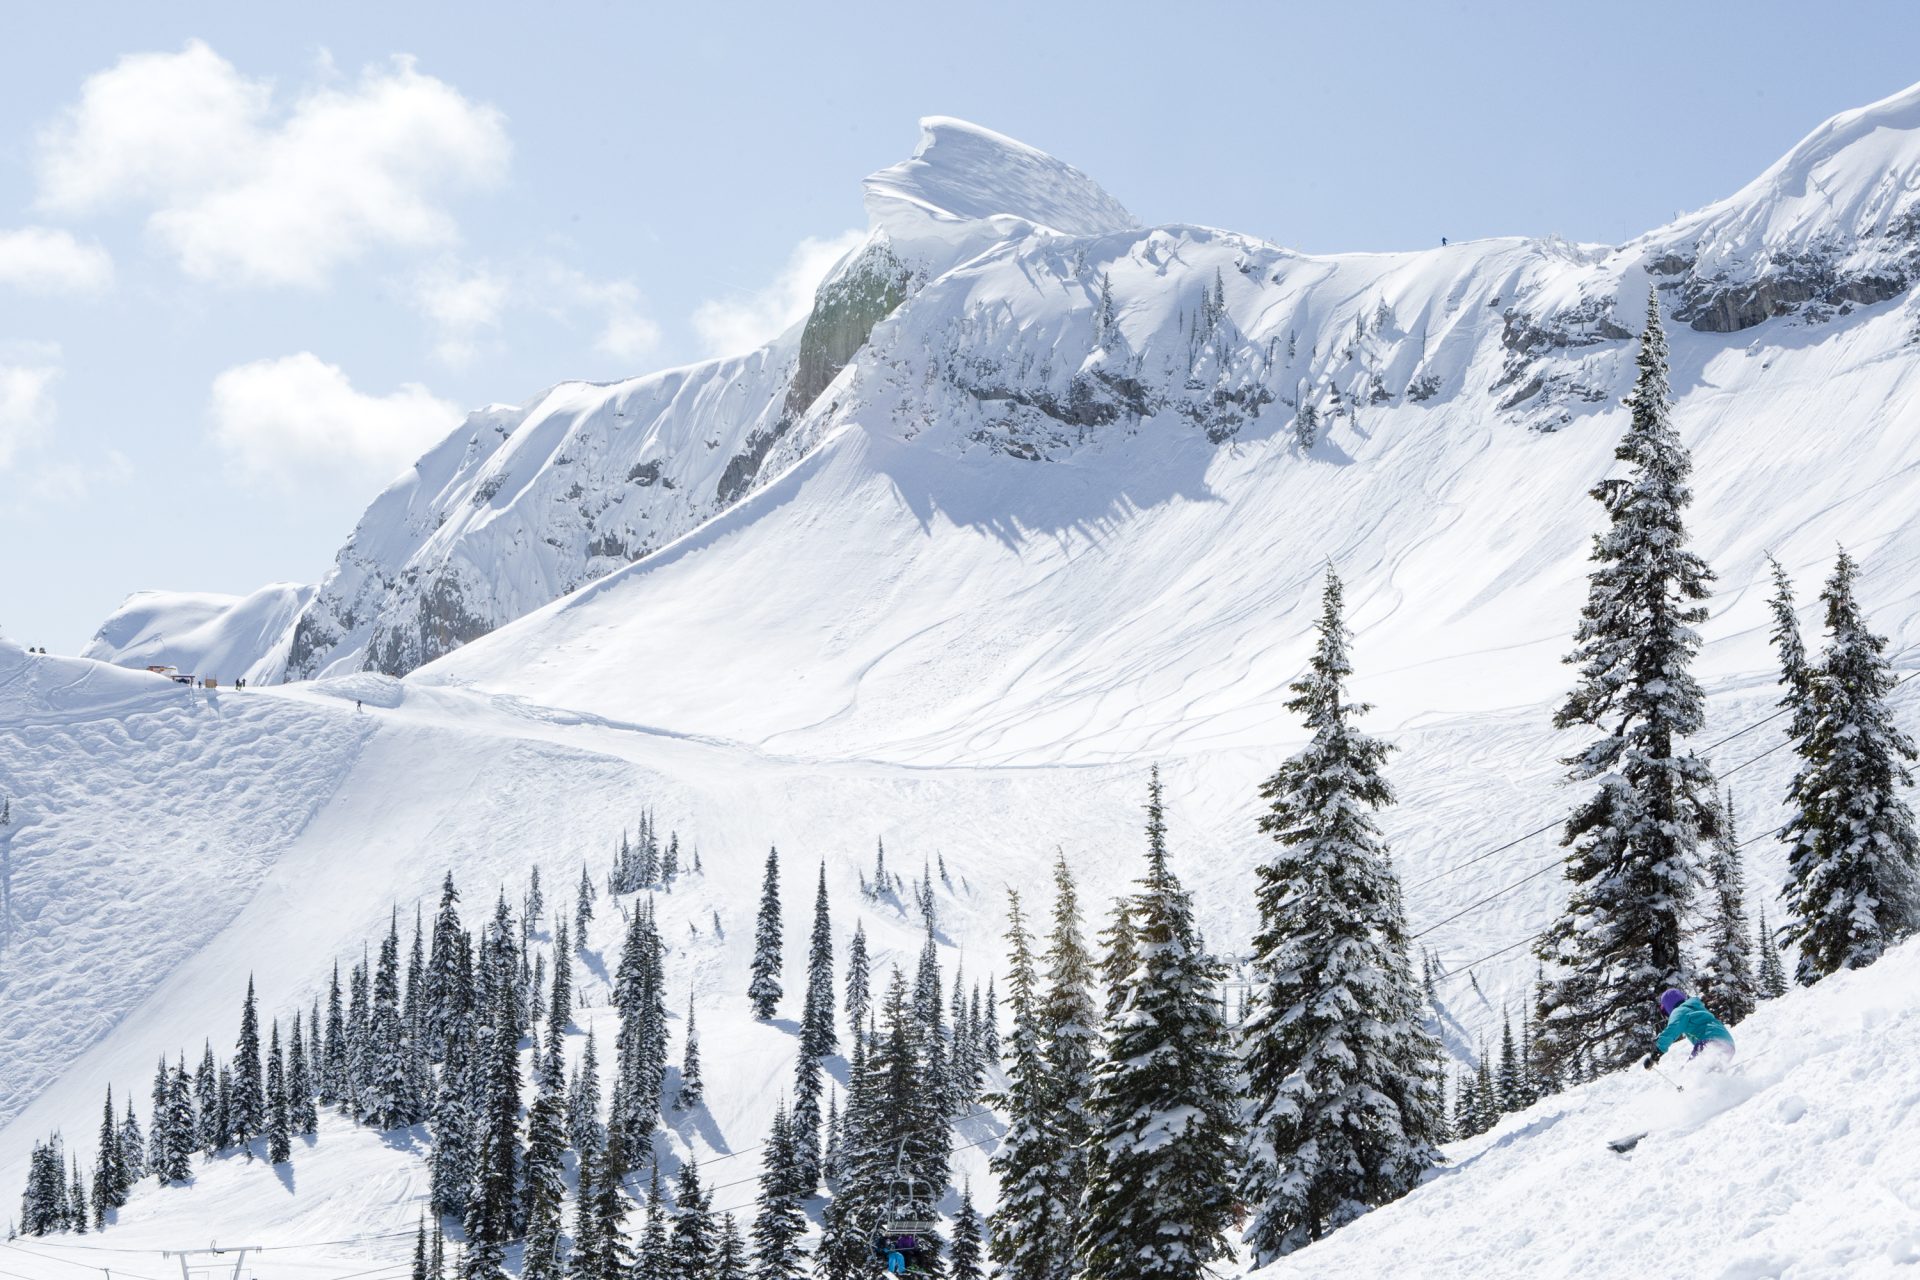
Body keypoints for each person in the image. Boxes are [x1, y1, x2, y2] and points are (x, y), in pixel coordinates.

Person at [1643, 987, 1734, 1071]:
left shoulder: (1679, 1011)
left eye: (1665, 1011)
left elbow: (1672, 1030)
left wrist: (1656, 1052)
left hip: (1710, 1043)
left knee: (1689, 1073)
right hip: (1728, 1045)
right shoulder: (1696, 1007)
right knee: (1708, 1075)